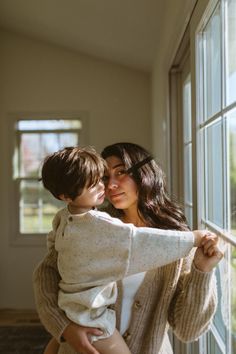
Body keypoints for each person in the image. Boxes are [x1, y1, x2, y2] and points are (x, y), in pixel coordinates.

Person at [33, 142, 223, 354]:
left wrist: (202, 271)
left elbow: (188, 331)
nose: (110, 184)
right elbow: (46, 275)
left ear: (145, 174)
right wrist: (64, 328)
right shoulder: (90, 227)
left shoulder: (175, 241)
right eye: (104, 177)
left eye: (121, 172)